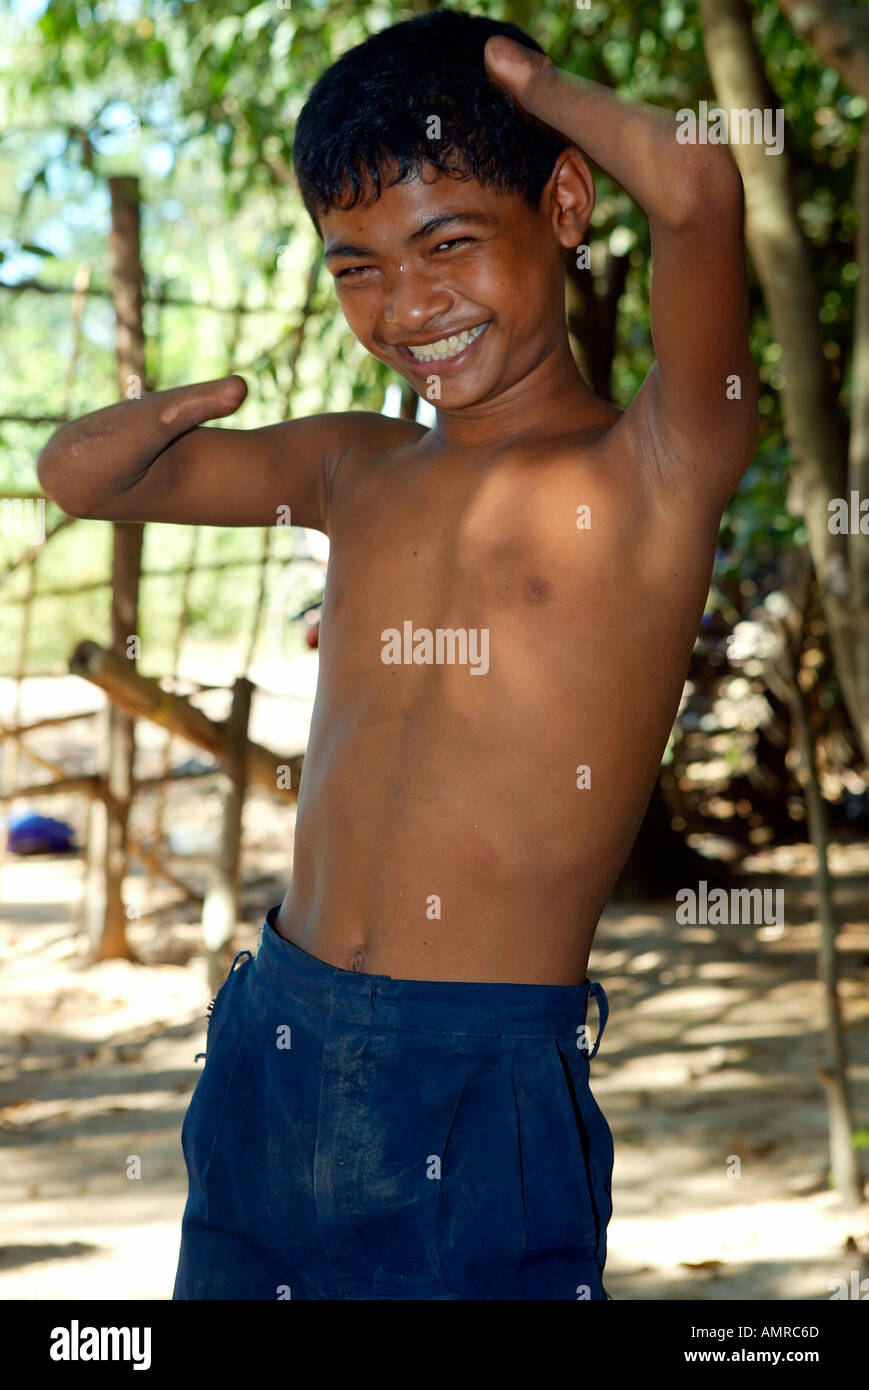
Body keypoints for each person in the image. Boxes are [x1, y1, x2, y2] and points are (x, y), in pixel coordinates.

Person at [37, 8, 758, 1300]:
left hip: (478, 1083)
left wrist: (525, 84)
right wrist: (185, 406)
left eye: (446, 243)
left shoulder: (654, 466)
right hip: (273, 1033)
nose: (406, 304)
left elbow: (699, 191)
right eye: (353, 265)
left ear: (567, 203)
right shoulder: (350, 465)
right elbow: (79, 479)